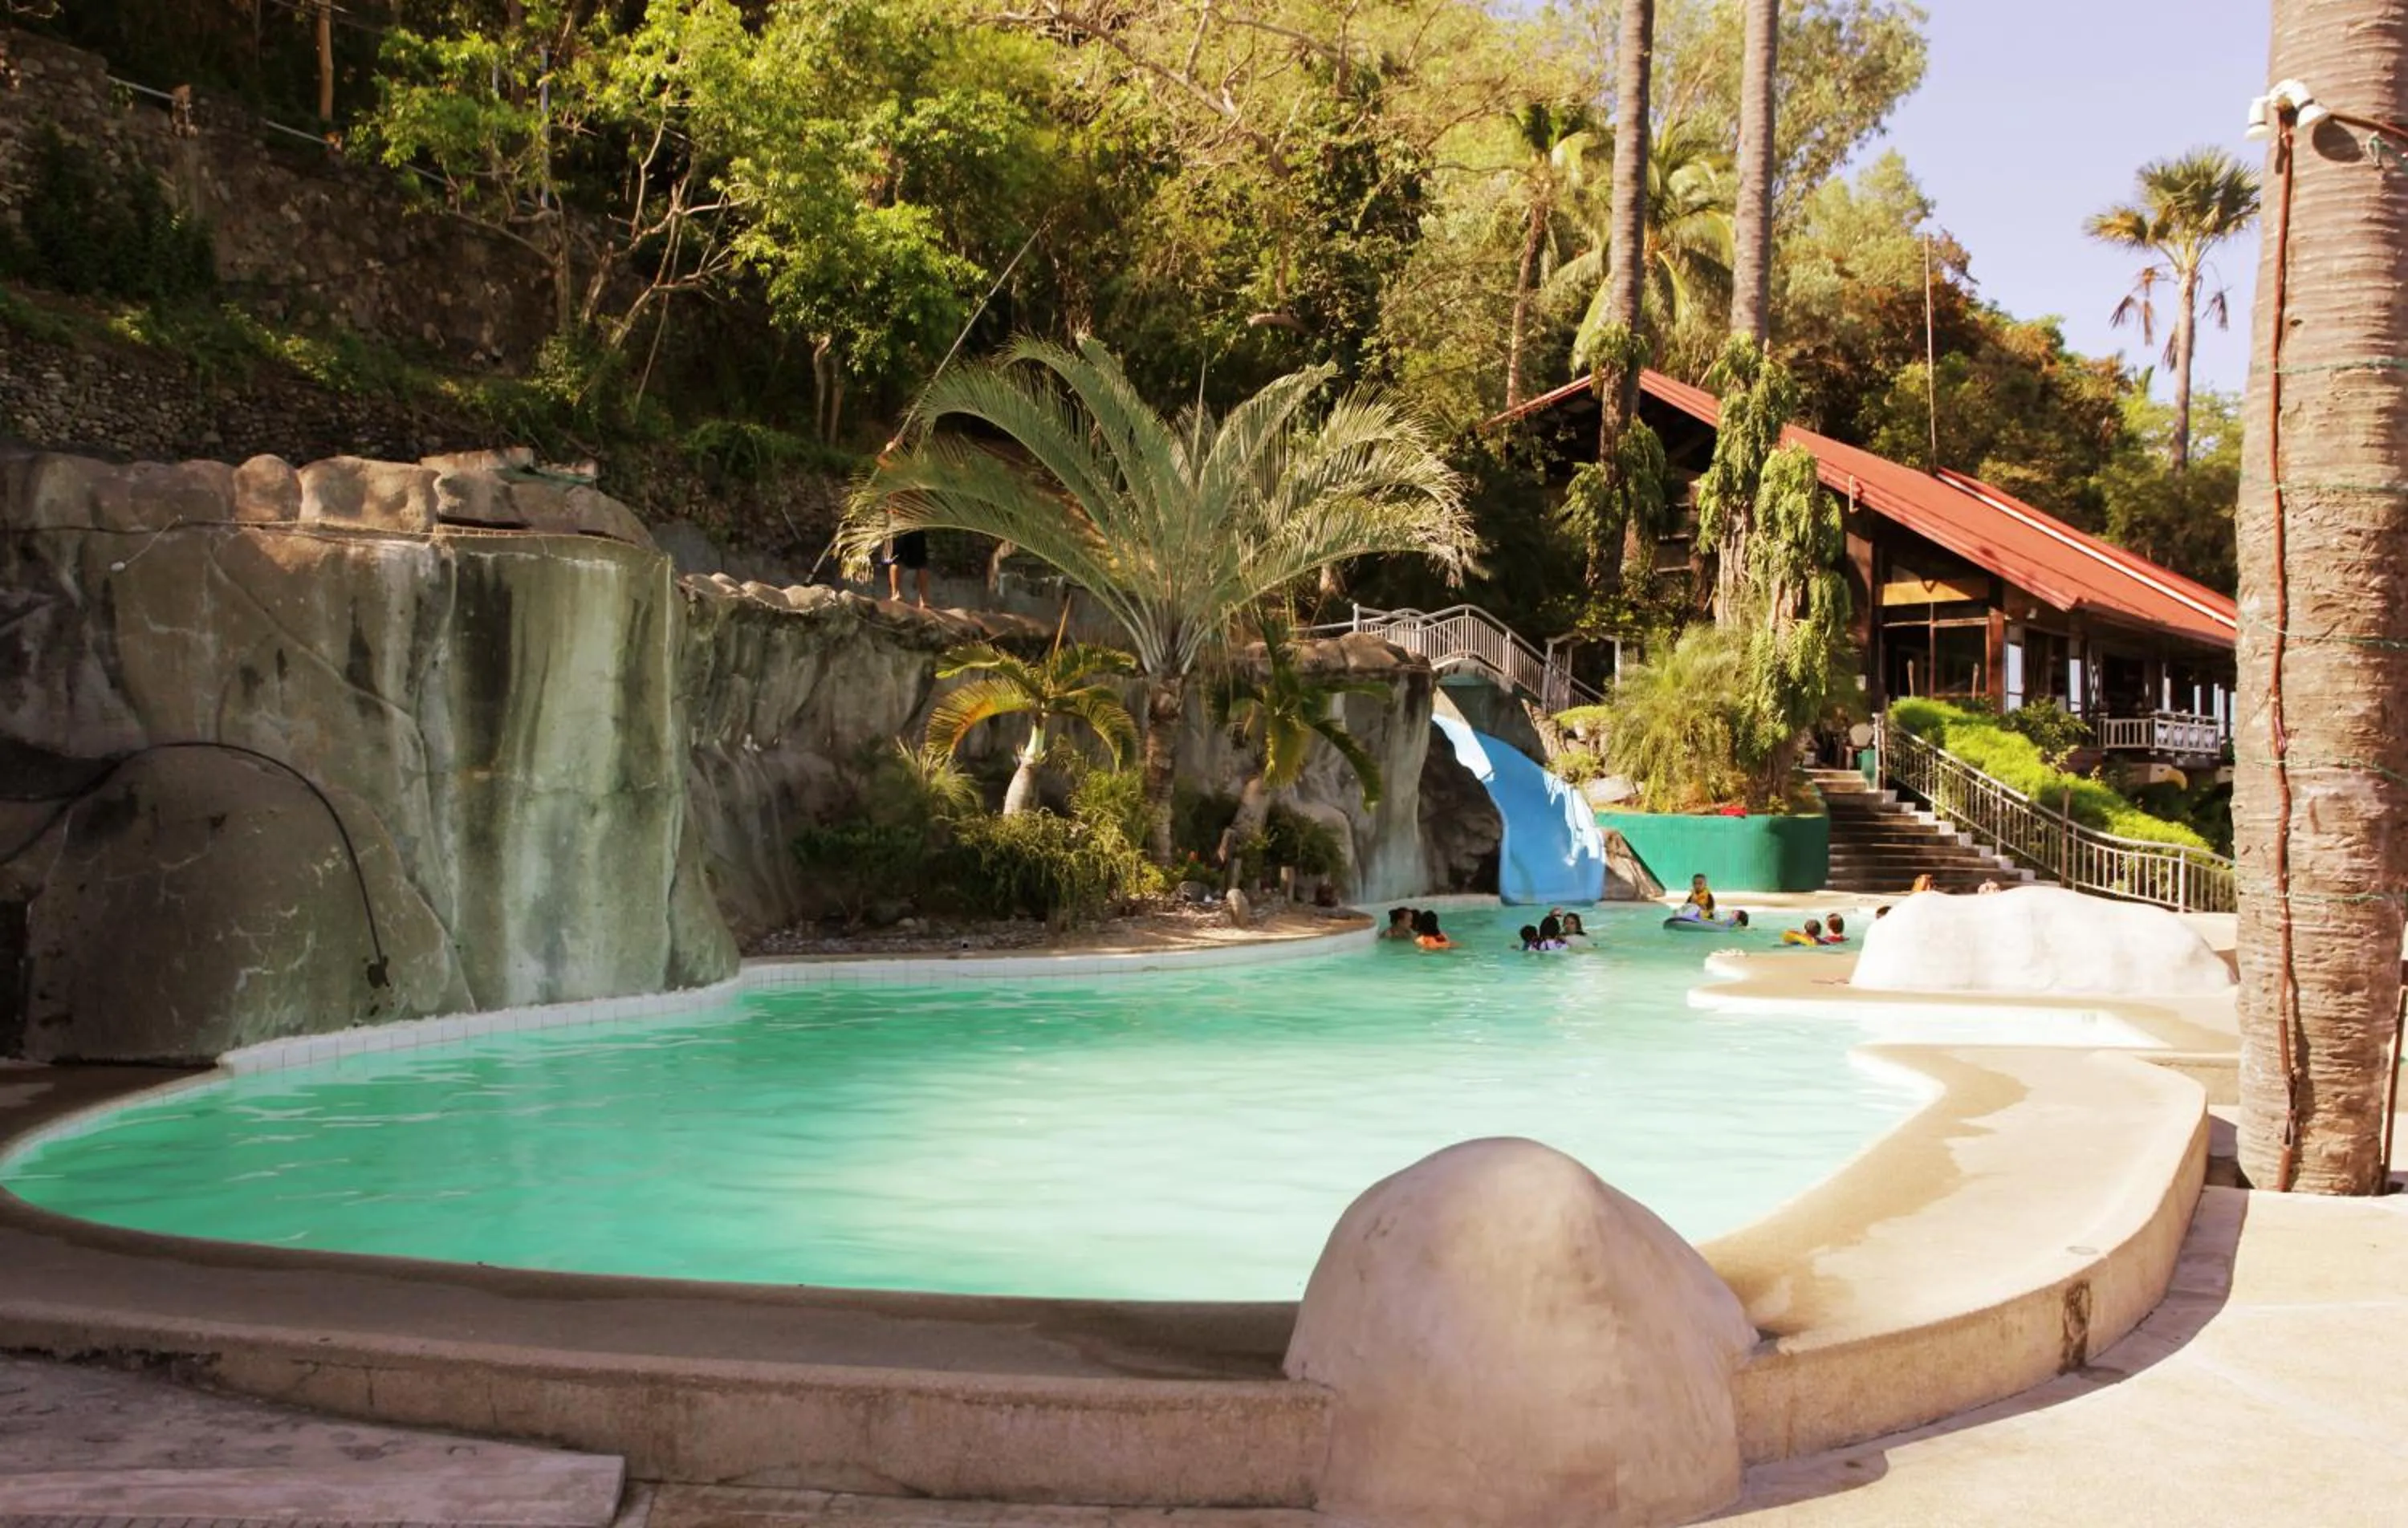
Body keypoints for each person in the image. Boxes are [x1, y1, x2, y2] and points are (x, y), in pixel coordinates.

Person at [885, 528, 931, 608]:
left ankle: (924, 599)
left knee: (920, 563)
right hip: (901, 525)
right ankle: (896, 593)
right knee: (897, 560)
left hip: (911, 525)